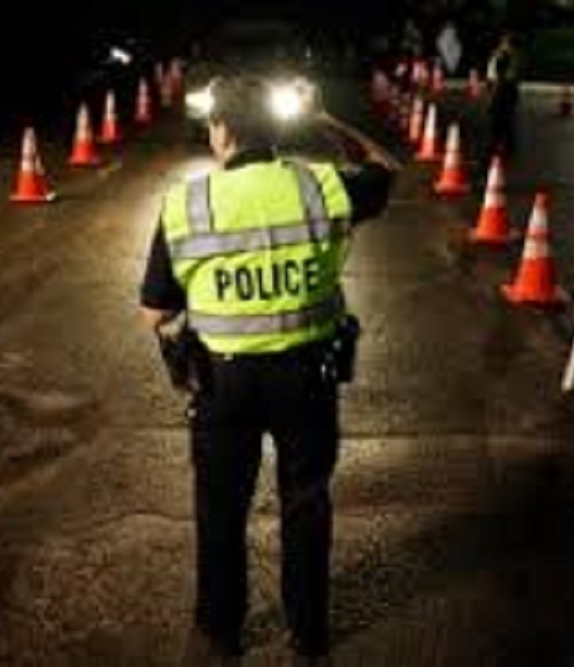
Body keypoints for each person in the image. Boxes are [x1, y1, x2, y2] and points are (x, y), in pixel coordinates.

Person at [138, 75, 399, 664]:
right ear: (278, 128)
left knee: (221, 507)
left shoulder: (187, 204)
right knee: (306, 501)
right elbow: (385, 169)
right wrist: (325, 120)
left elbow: (155, 312)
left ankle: (221, 630)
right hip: (307, 375)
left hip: (222, 383)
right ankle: (308, 631)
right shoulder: (321, 187)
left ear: (220, 129)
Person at [485, 30, 522, 163]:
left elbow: (507, 76)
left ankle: (500, 145)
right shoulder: (502, 55)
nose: (503, 45)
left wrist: (494, 90)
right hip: (504, 90)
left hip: (504, 91)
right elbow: (492, 74)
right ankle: (502, 145)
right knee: (502, 120)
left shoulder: (509, 57)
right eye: (503, 42)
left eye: (505, 42)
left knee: (502, 119)